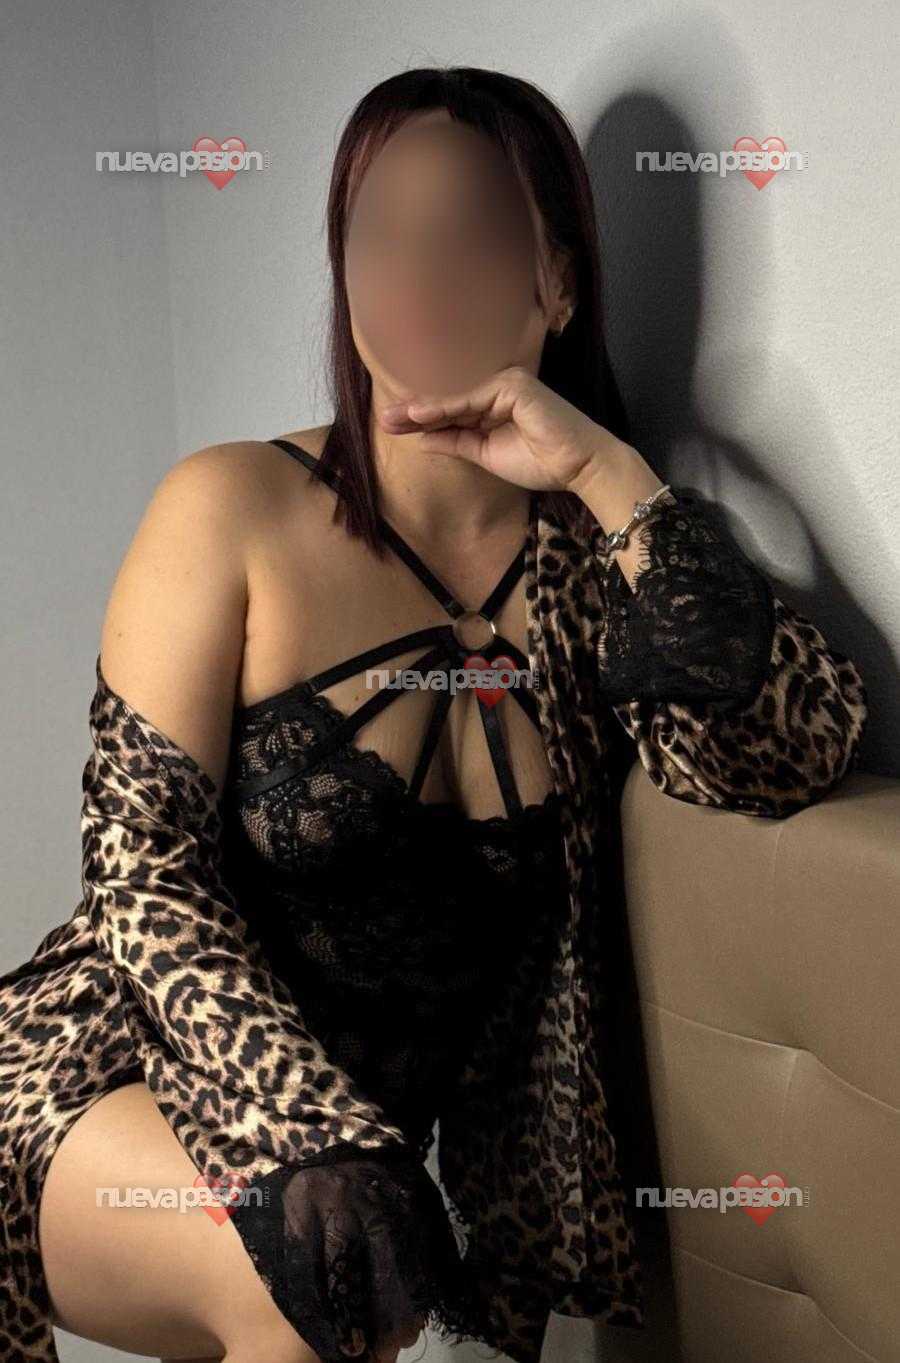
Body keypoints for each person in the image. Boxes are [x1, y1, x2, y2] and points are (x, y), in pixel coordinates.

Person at [0, 67, 868, 1363]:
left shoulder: (594, 571)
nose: (415, 273)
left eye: (466, 233)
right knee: (315, 1287)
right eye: (380, 233)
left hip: (367, 1163)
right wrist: (310, 1133)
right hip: (108, 1070)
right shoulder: (231, 508)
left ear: (556, 282)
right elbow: (143, 872)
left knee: (336, 1276)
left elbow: (780, 756)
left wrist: (606, 472)